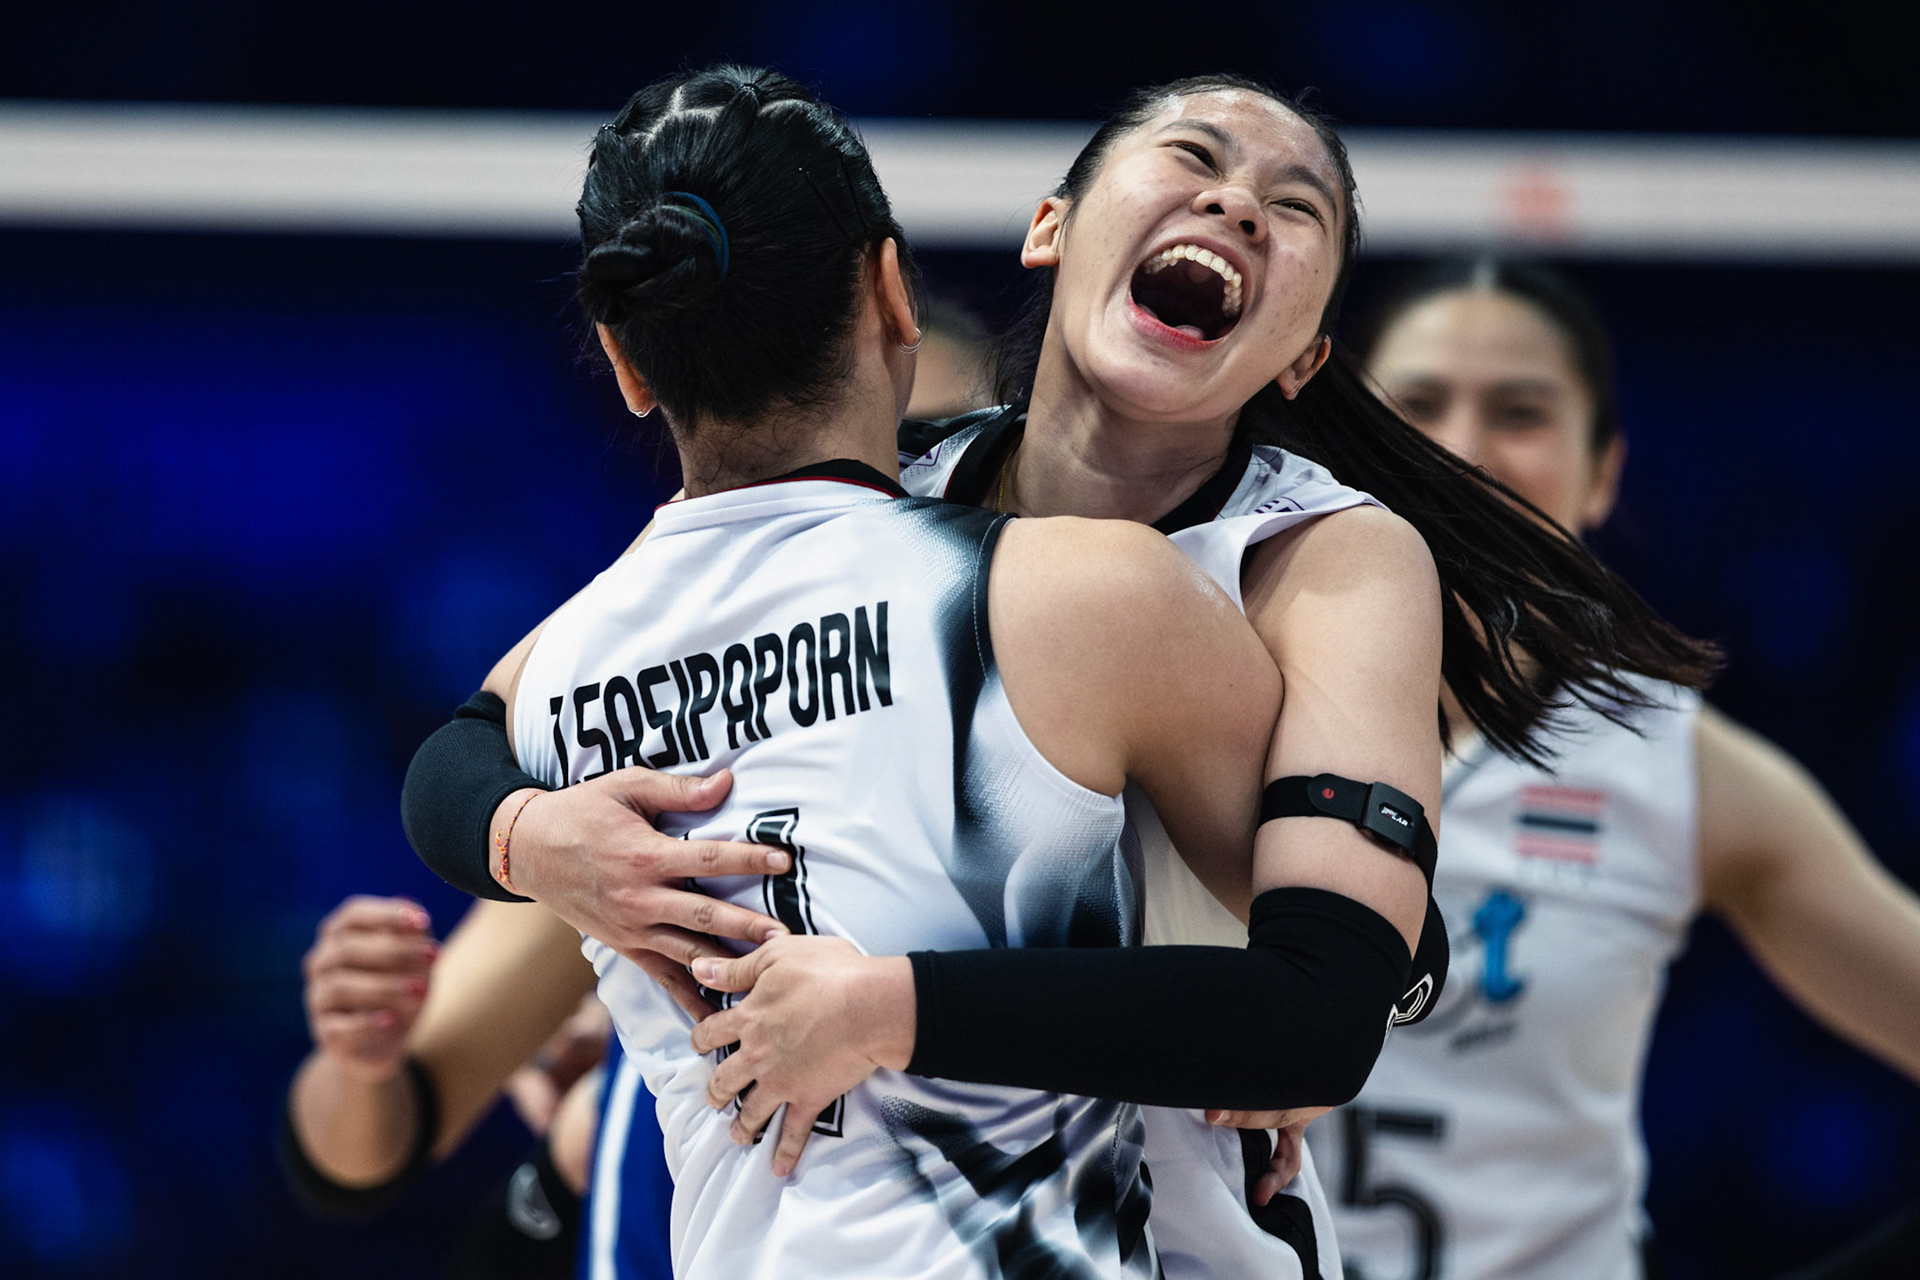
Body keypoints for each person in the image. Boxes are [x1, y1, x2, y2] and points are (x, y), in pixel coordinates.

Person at [402, 73, 1717, 1279]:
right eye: (1192, 157)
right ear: (1049, 228)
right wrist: (530, 837)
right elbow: (473, 740)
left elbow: (1340, 998)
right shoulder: (887, 493)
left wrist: (883, 1010)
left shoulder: (1328, 557)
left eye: (1292, 206)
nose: (1234, 205)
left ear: (1307, 355)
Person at [1301, 257, 1920, 1280]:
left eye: (1521, 411)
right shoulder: (1222, 702)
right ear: (1346, 450)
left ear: (1603, 471)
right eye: (1418, 404)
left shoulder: (1675, 765)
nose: (1464, 447)